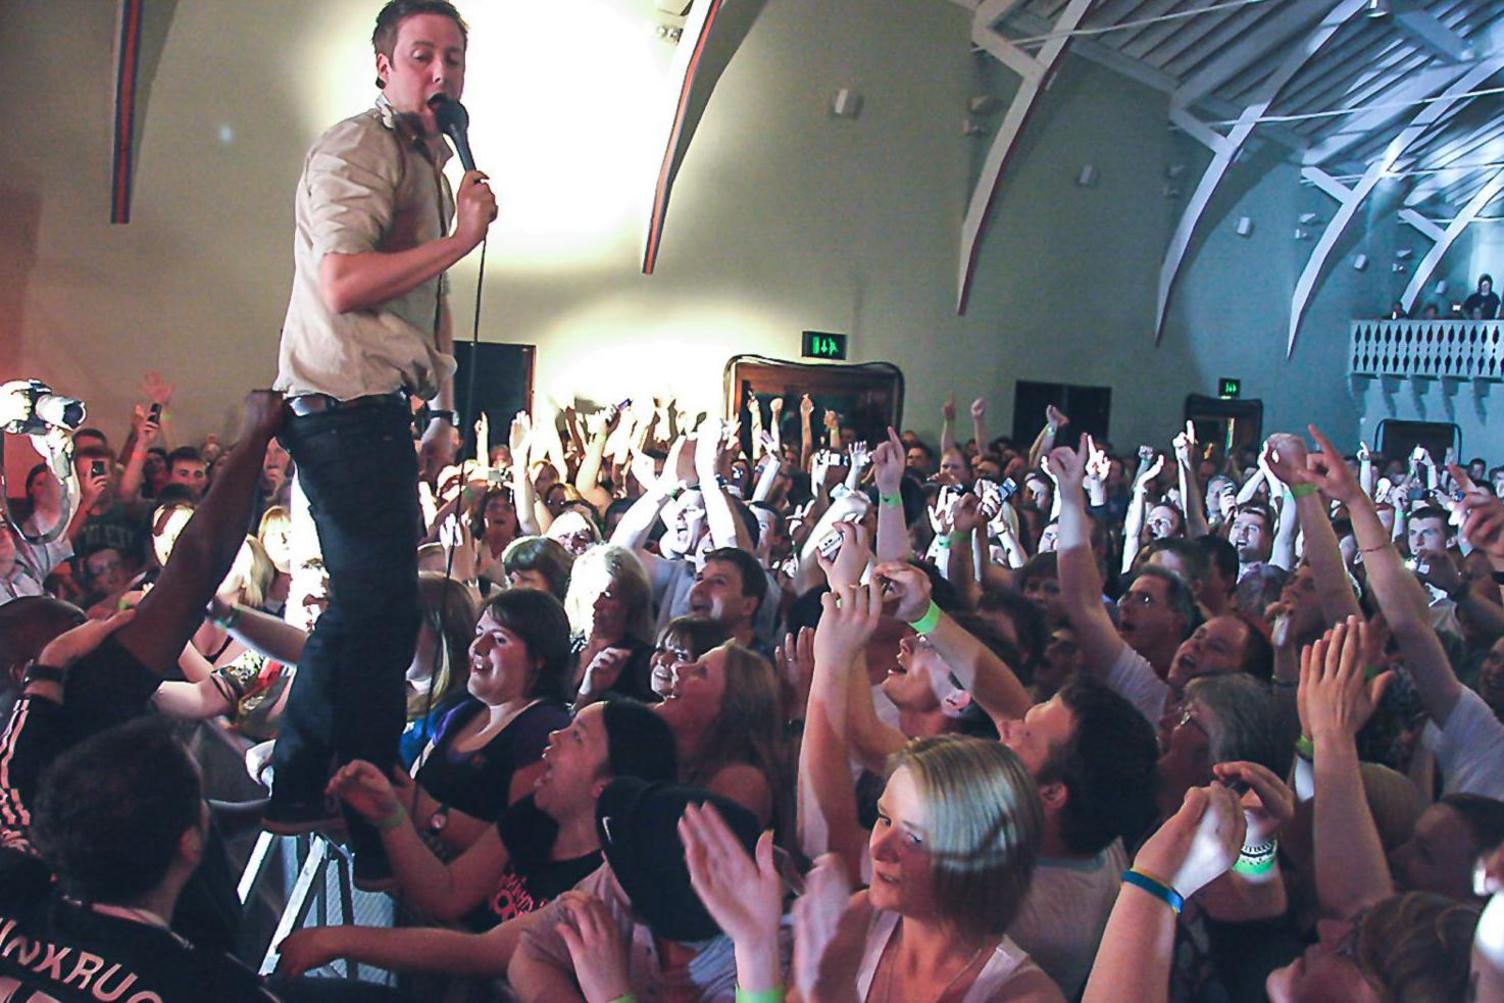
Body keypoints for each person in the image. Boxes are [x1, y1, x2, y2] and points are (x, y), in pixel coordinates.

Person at [264, 0, 497, 869]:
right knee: (376, 608)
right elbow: (342, 280)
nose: (442, 73)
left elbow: (424, 306)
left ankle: (333, 787)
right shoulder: (359, 147)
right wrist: (463, 239)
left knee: (382, 608)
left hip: (382, 403)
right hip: (340, 399)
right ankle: (324, 791)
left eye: (456, 59)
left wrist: (439, 406)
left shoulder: (427, 165)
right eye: (423, 55)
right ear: (382, 65)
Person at [274, 700, 679, 983]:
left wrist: (339, 939)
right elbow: (447, 893)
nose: (554, 735)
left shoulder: (605, 882)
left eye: (577, 737)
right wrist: (390, 816)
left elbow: (481, 953)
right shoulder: (534, 815)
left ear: (606, 786)